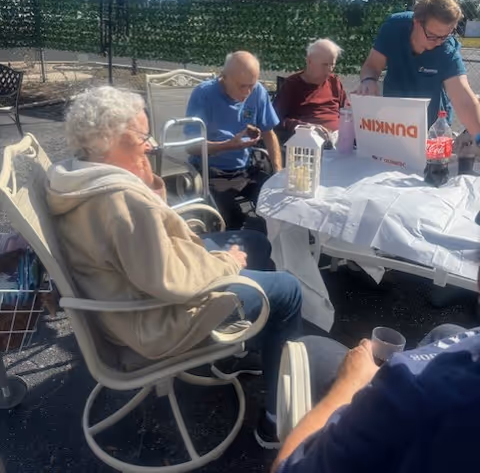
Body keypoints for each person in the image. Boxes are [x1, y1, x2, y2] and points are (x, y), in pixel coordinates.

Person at [45, 86, 302, 448]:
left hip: (127, 290)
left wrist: (145, 179)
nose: (150, 145)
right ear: (110, 139)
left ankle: (246, 348)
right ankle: (277, 419)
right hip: (154, 320)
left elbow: (148, 248)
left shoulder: (79, 174)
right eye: (141, 136)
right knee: (288, 291)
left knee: (256, 243)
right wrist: (226, 263)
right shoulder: (121, 200)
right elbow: (169, 281)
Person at [273, 316, 480, 472]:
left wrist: (348, 385)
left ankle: (268, 423)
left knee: (311, 346)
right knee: (446, 331)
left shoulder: (409, 392)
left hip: (402, 410)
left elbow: (283, 469)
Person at [358, 0, 480, 135]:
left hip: (433, 127)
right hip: (395, 123)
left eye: (445, 35)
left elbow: (463, 98)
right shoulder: (394, 28)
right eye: (432, 35)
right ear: (416, 21)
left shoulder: (447, 49)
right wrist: (368, 80)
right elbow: (372, 66)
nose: (438, 42)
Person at [186, 51, 282, 230]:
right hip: (211, 172)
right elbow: (190, 147)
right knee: (232, 219)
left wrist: (277, 171)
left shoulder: (258, 91)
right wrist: (228, 145)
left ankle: (272, 252)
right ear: (224, 77)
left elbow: (269, 133)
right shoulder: (204, 94)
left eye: (251, 86)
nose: (247, 93)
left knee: (276, 205)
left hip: (245, 170)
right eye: (241, 86)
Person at [273, 39, 347, 144]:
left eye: (332, 64)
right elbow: (275, 120)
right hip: (309, 145)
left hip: (339, 141)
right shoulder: (292, 84)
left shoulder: (334, 82)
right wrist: (305, 128)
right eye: (325, 65)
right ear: (309, 61)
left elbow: (346, 112)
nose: (330, 69)